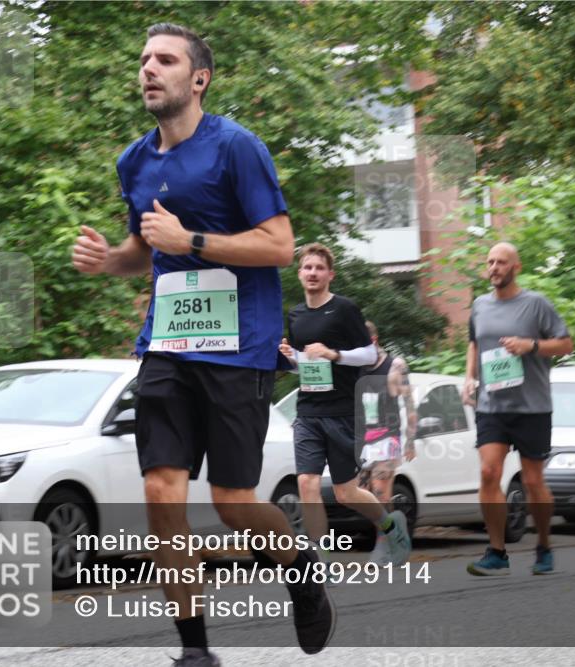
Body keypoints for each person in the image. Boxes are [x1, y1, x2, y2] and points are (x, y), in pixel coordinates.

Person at [71, 24, 333, 666]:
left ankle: (300, 572)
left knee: (235, 503)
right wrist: (109, 260)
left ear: (199, 78)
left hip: (239, 346)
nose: (149, 69)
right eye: (143, 60)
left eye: (165, 60)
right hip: (167, 344)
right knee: (161, 490)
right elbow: (143, 246)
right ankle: (195, 652)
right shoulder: (134, 161)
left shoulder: (237, 148)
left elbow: (277, 246)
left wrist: (190, 241)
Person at [279, 243, 412, 566]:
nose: (312, 273)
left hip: (342, 411)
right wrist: (291, 359)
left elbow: (368, 355)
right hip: (309, 410)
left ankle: (391, 526)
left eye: (318, 268)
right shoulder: (295, 315)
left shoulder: (344, 309)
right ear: (299, 274)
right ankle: (320, 561)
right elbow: (304, 365)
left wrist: (334, 354)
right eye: (307, 268)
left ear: (330, 275)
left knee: (345, 493)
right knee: (306, 483)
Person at [462, 242, 573, 576]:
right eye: (490, 262)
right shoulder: (480, 305)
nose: (494, 267)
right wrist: (469, 377)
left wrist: (532, 346)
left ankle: (543, 545)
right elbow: (474, 343)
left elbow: (566, 344)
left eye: (501, 262)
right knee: (488, 472)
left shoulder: (536, 304)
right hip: (492, 405)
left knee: (532, 480)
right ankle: (497, 551)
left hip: (532, 406)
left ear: (516, 267)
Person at [356, 320, 418, 562]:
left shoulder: (395, 366)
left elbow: (410, 405)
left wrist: (410, 441)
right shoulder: (356, 368)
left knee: (381, 493)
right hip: (363, 439)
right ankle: (395, 530)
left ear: (373, 341)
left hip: (387, 437)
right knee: (361, 494)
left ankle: (384, 546)